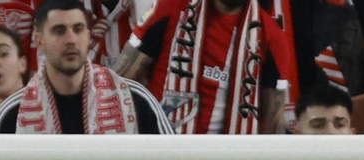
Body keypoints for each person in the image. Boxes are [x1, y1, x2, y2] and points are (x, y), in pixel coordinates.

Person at [116, 0, 296, 134]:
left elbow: (270, 128)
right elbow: (118, 84)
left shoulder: (271, 37)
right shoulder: (170, 8)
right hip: (155, 153)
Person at [0, 0, 169, 133]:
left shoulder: (137, 100)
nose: (71, 40)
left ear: (88, 36)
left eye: (78, 29)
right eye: (59, 31)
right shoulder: (12, 113)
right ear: (39, 40)